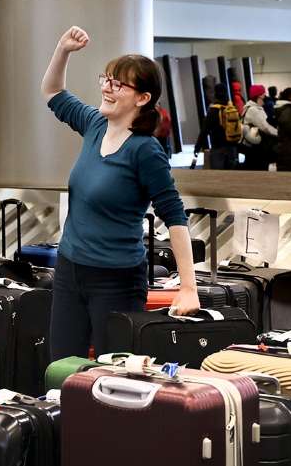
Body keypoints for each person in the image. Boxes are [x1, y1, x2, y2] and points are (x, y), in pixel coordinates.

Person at [41, 25, 199, 360]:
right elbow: (52, 91)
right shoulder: (95, 124)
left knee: (114, 378)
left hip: (115, 281)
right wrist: (63, 49)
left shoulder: (145, 151)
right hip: (70, 270)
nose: (107, 89)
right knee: (60, 369)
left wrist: (188, 287)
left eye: (118, 83)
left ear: (142, 98)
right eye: (106, 79)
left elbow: (174, 216)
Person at [239, 84, 277, 170]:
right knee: (257, 168)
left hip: (251, 145)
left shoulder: (250, 107)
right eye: (263, 94)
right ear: (259, 96)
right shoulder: (254, 110)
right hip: (256, 147)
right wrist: (278, 133)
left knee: (251, 166)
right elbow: (265, 127)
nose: (265, 97)